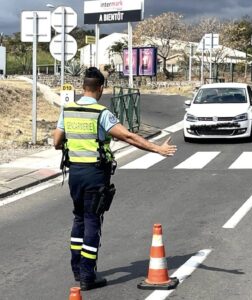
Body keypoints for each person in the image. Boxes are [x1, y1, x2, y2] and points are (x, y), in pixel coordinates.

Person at [53, 67, 177, 291]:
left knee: (79, 219)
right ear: (101, 88)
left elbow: (56, 142)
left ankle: (77, 270)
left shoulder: (67, 110)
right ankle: (88, 276)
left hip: (74, 174)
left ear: (83, 87)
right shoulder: (101, 113)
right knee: (92, 222)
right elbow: (128, 136)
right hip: (94, 174)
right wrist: (157, 149)